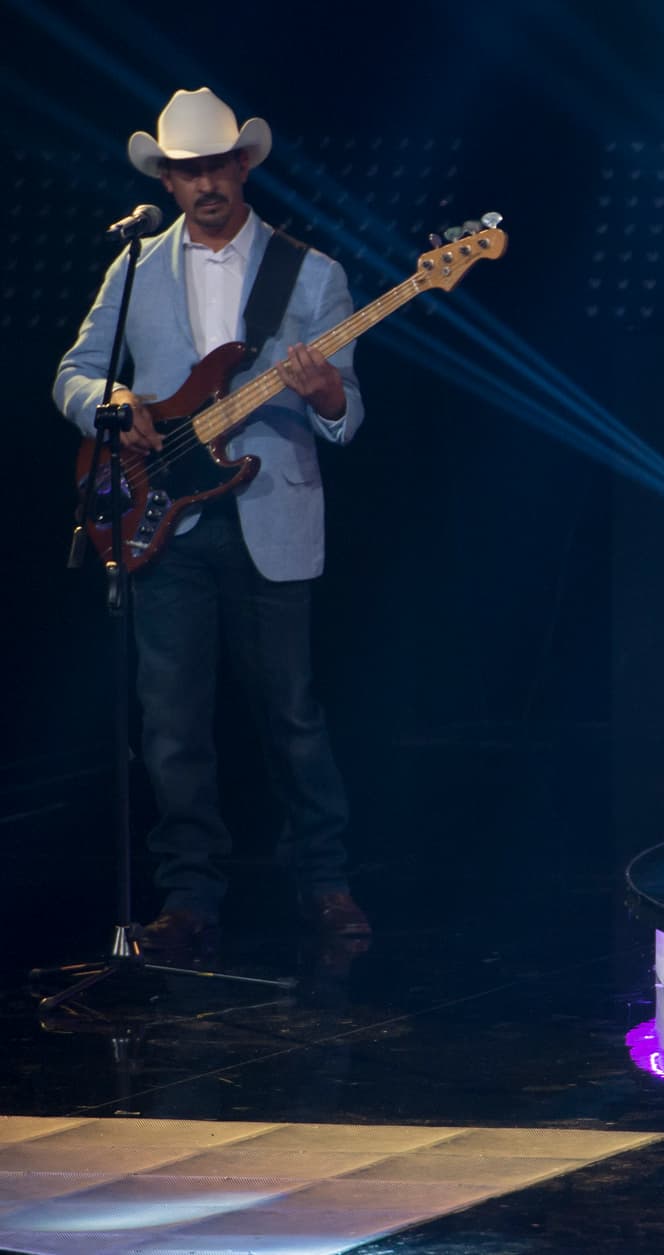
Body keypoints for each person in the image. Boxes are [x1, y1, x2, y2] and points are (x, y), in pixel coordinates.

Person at [54, 87, 371, 953]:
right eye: (187, 171)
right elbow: (73, 372)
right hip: (163, 519)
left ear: (244, 165)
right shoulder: (134, 270)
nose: (205, 185)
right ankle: (188, 897)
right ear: (167, 176)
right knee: (172, 723)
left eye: (218, 166)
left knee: (293, 716)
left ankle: (327, 882)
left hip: (272, 516)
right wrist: (111, 399)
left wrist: (328, 392)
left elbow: (350, 415)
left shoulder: (311, 274)